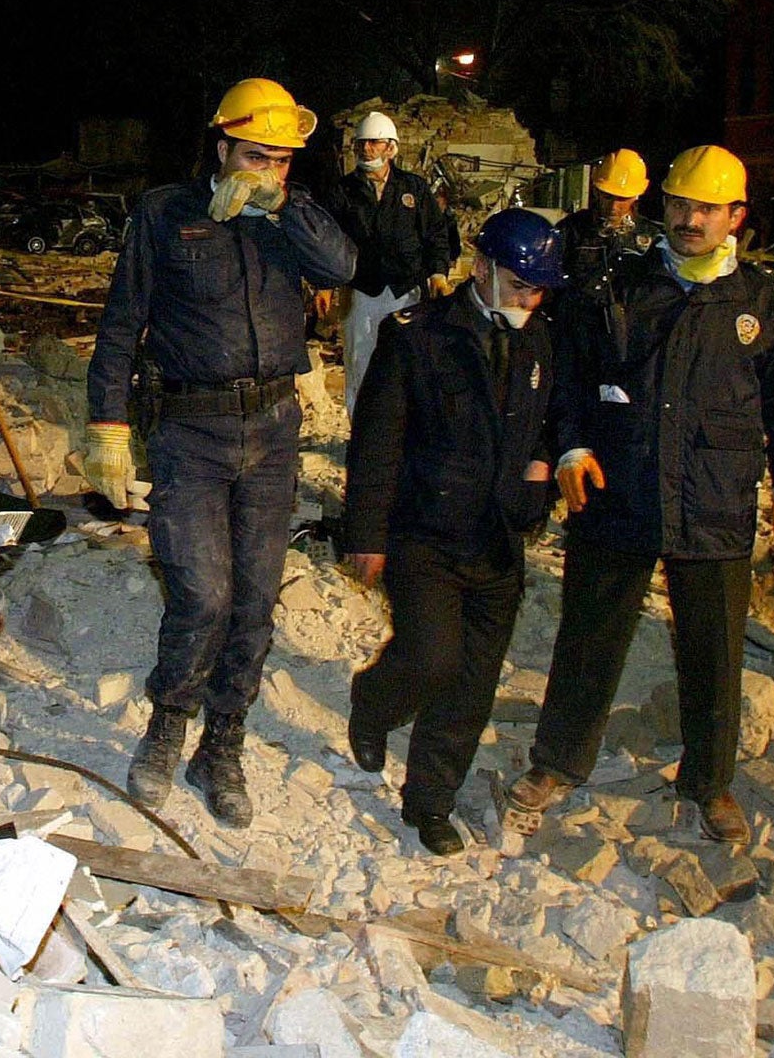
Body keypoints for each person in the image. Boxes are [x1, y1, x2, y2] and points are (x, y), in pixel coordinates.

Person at [506, 144, 774, 844]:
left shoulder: (763, 305)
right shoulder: (622, 288)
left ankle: (711, 784)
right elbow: (573, 378)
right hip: (621, 489)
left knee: (713, 648)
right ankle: (558, 762)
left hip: (714, 497)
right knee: (591, 633)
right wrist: (573, 449)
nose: (690, 219)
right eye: (678, 204)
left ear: (736, 215)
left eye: (706, 208)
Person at [85, 77, 357, 826]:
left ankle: (223, 744)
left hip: (272, 432)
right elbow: (120, 324)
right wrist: (106, 428)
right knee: (202, 594)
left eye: (280, 160)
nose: (267, 170)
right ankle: (169, 723)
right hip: (190, 435)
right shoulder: (166, 213)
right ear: (220, 147)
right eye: (254, 156)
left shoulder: (285, 217)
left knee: (255, 603)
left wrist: (284, 206)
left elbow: (343, 267)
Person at [340, 209, 565, 855]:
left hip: (497, 539)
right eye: (521, 284)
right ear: (482, 269)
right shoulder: (418, 336)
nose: (531, 298)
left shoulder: (539, 342)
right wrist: (366, 535)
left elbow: (551, 421)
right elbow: (377, 443)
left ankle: (429, 803)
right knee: (431, 657)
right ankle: (375, 702)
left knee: (471, 684)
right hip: (425, 535)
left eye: (539, 288)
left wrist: (544, 471)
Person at [321, 110, 456, 420]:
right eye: (361, 144)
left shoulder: (413, 189)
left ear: (390, 148)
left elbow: (436, 234)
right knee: (361, 362)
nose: (366, 150)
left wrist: (438, 275)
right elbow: (328, 240)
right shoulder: (343, 191)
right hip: (362, 290)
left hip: (406, 290)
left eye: (374, 143)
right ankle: (362, 430)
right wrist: (325, 283)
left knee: (408, 361)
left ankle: (406, 430)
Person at [555, 148, 661, 285]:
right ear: (596, 191)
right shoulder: (571, 230)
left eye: (622, 199)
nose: (614, 206)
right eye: (607, 197)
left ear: (636, 196)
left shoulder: (652, 236)